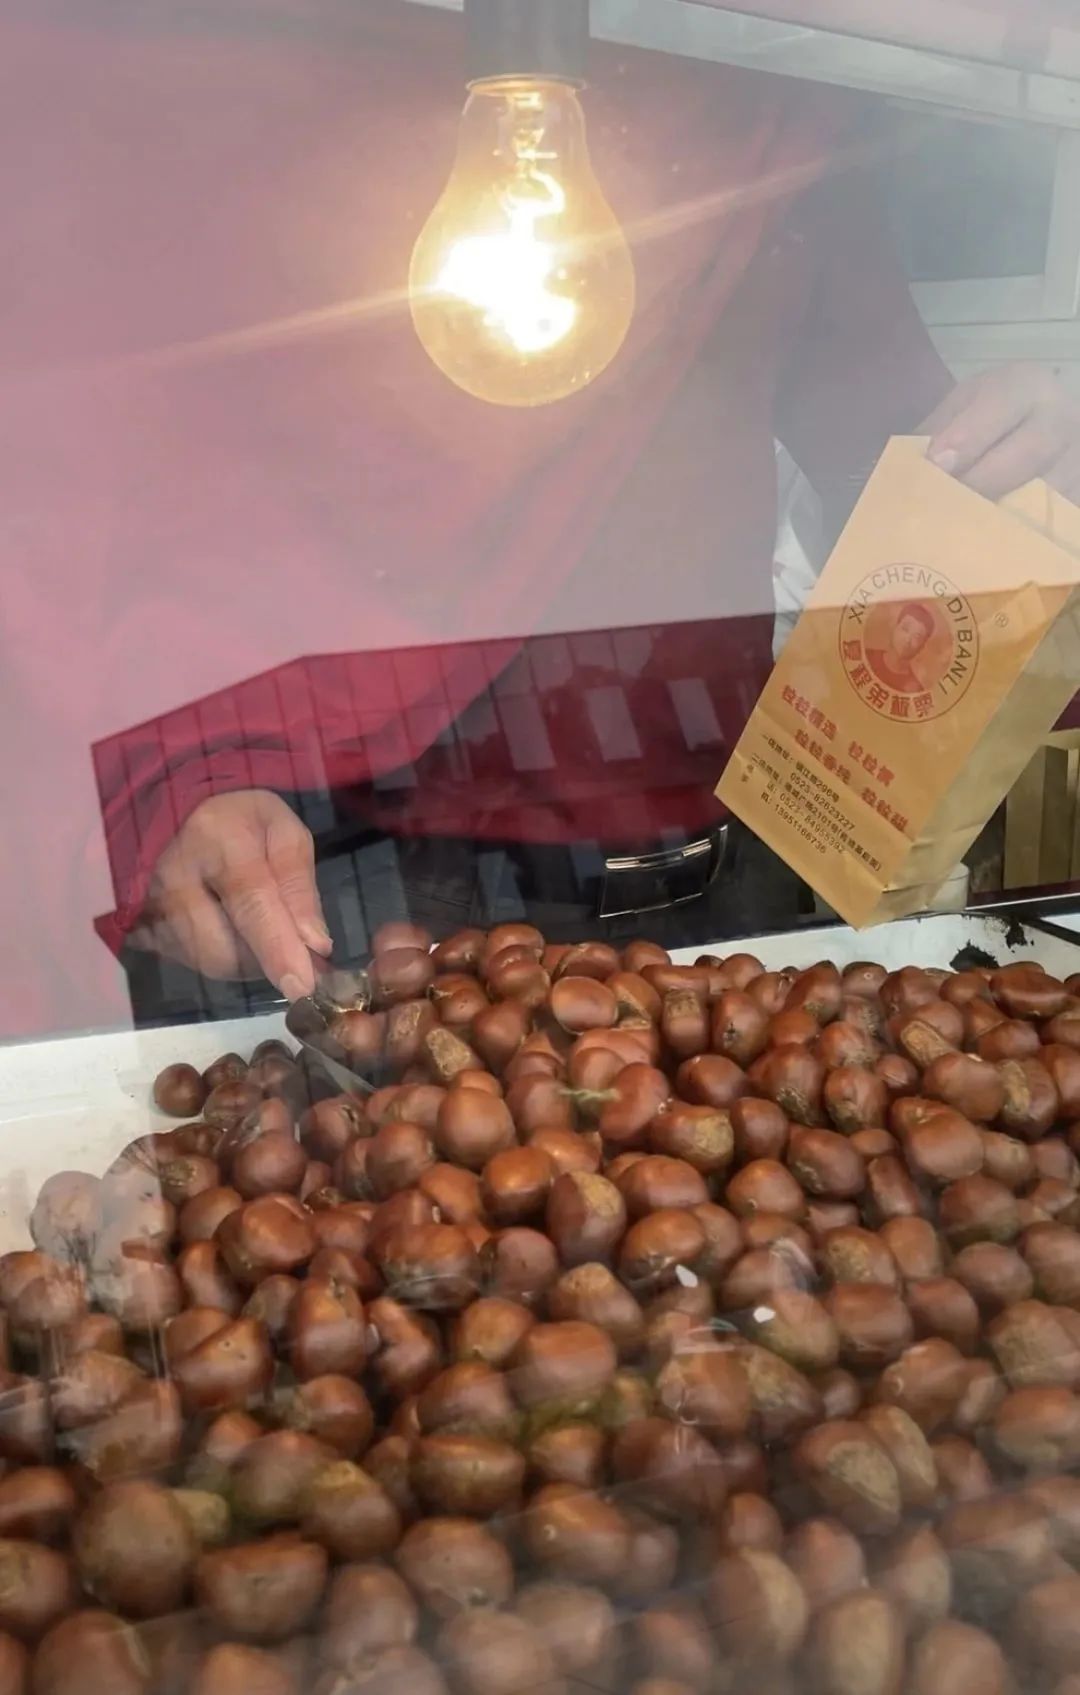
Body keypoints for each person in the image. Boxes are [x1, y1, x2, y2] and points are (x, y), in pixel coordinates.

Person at [6, 0, 1080, 1033]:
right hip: (400, 888)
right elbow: (129, 496)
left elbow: (914, 479)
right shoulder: (248, 81)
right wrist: (172, 777)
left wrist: (1026, 452)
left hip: (734, 863)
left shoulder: (764, 99)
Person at [865, 602, 938, 696]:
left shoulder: (916, 693)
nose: (908, 639)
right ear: (895, 627)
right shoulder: (865, 658)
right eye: (905, 629)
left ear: (921, 647)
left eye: (916, 637)